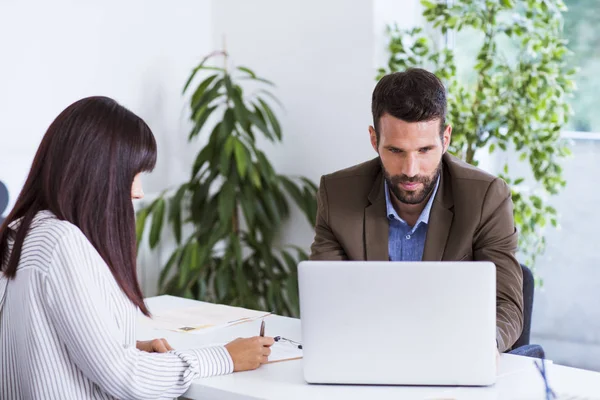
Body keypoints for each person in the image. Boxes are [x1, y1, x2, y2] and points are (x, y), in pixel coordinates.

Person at [0, 96, 274, 399]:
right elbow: (127, 380)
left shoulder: (21, 233)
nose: (140, 192)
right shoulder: (61, 243)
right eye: (133, 174)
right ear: (98, 173)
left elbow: (43, 347)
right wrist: (226, 357)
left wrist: (125, 349)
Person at [309, 68, 525, 354]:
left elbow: (506, 305)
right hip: (368, 356)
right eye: (396, 151)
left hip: (453, 356)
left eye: (424, 150)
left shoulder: (486, 197)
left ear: (445, 139)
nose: (410, 171)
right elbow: (326, 301)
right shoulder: (338, 194)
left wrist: (483, 346)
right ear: (374, 140)